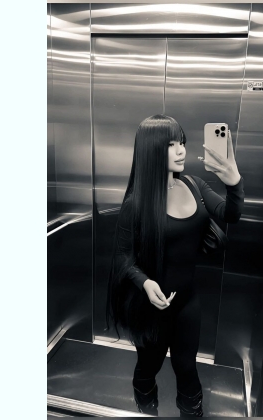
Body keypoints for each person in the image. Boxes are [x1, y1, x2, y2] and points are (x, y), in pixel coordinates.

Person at [105, 114, 245, 417]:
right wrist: (145, 283)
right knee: (148, 366)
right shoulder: (136, 204)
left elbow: (231, 214)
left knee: (187, 367)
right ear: (152, 150)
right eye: (171, 144)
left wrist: (234, 182)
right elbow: (123, 257)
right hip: (150, 307)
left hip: (187, 303)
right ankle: (147, 411)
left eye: (181, 141)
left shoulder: (195, 185)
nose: (181, 149)